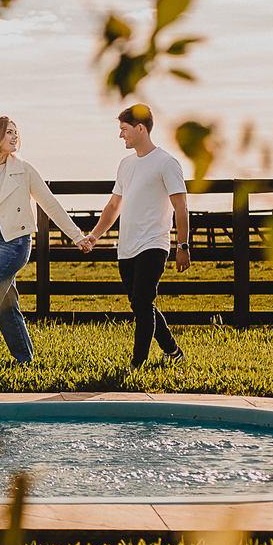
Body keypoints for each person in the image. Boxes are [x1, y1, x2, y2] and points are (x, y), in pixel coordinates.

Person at [0, 116, 88, 374]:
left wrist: (76, 236)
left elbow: (50, 204)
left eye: (16, 133)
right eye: (9, 133)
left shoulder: (24, 170)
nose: (15, 137)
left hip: (14, 242)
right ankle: (25, 360)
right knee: (5, 305)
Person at [78, 104, 190, 372]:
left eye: (124, 130)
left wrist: (183, 245)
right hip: (126, 247)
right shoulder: (125, 165)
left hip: (153, 245)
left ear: (141, 128)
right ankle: (174, 352)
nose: (121, 136)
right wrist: (94, 235)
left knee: (141, 302)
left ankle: (136, 364)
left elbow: (181, 207)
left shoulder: (166, 162)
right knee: (142, 304)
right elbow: (113, 206)